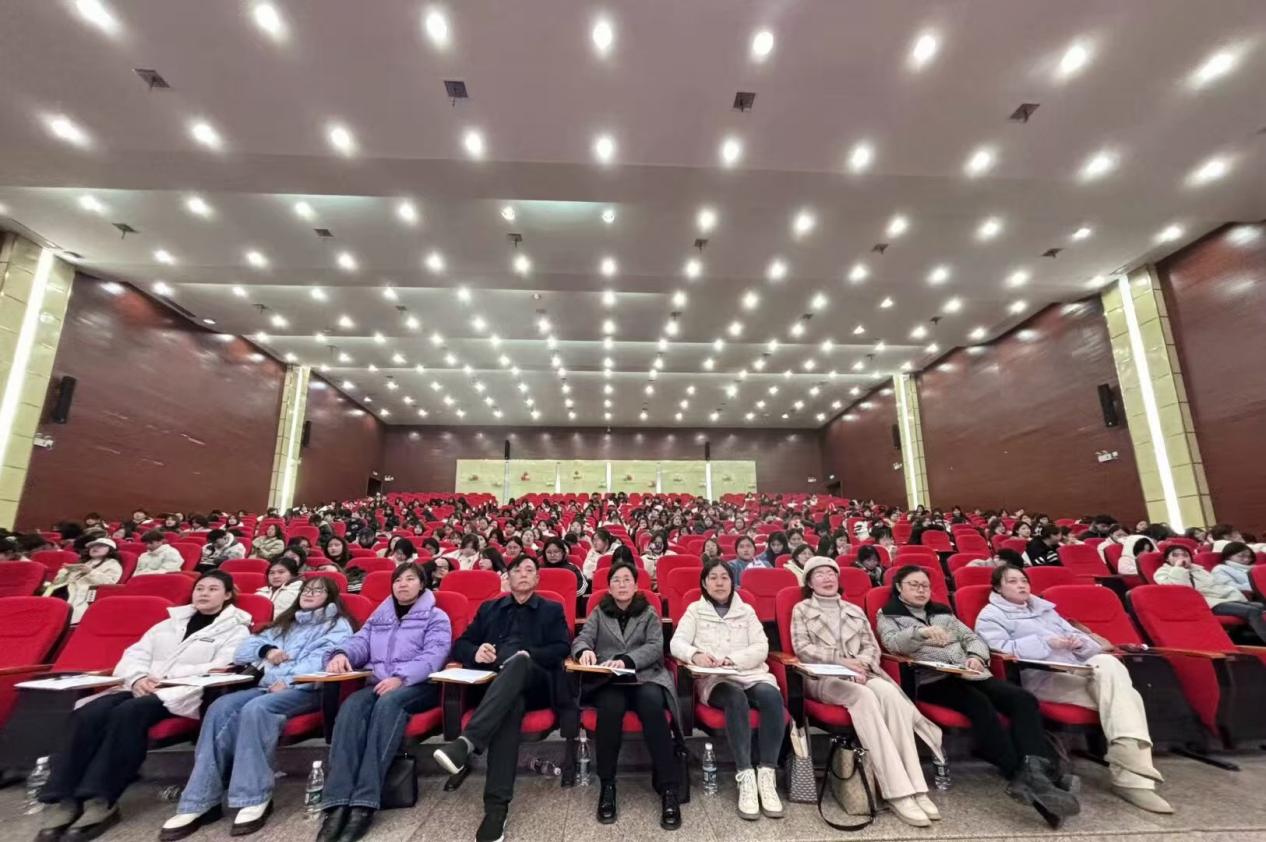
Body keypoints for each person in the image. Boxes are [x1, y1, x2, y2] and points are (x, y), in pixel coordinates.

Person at [36, 572, 252, 840]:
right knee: (87, 713)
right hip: (139, 685)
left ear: (228, 595)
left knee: (128, 713)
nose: (204, 593)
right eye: (200, 588)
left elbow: (222, 666)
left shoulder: (236, 628)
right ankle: (63, 797)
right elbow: (135, 654)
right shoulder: (168, 623)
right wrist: (138, 677)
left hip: (184, 691)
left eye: (213, 589)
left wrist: (164, 677)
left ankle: (101, 798)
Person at [876, 565, 1079, 826]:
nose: (920, 590)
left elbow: (972, 639)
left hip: (970, 672)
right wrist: (920, 633)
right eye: (913, 585)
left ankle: (1036, 770)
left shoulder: (942, 613)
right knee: (980, 704)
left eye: (925, 585)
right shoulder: (889, 614)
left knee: (1022, 699)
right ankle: (1021, 774)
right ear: (899, 588)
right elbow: (892, 643)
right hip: (932, 679)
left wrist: (975, 657)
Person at [161, 578, 355, 839]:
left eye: (317, 590)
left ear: (330, 596)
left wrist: (288, 680)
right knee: (220, 708)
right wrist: (267, 649)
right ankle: (199, 800)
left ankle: (253, 797)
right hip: (267, 688)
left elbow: (324, 659)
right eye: (306, 589)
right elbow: (243, 650)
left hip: (306, 690)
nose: (309, 594)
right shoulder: (287, 623)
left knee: (257, 710)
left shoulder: (337, 625)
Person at [975, 566, 1171, 813]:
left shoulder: (1045, 610)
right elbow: (998, 649)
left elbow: (1087, 643)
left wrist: (1079, 644)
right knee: (1129, 697)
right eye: (1012, 581)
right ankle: (1133, 779)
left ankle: (1128, 761)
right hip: (1046, 677)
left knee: (1110, 665)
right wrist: (1046, 642)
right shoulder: (991, 615)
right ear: (998, 588)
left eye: (1024, 580)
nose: (1021, 585)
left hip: (1080, 671)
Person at [791, 557, 945, 827]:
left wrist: (862, 664)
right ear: (810, 582)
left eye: (831, 573)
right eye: (820, 574)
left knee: (890, 694)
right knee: (863, 696)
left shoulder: (853, 610)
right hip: (823, 677)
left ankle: (918, 788)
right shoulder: (801, 609)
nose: (827, 578)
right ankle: (897, 792)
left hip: (862, 673)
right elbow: (802, 648)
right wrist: (841, 661)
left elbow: (871, 647)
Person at [432, 556, 571, 842]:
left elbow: (561, 648)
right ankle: (496, 810)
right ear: (507, 577)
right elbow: (461, 645)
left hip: (536, 683)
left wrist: (530, 655)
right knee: (510, 708)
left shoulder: (551, 609)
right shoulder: (489, 608)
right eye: (517, 570)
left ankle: (467, 742)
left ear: (537, 579)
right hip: (496, 688)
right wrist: (476, 652)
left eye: (530, 570)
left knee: (519, 662)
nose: (523, 574)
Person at [315, 563, 452, 842]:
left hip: (418, 685)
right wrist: (342, 654)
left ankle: (364, 803)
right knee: (351, 708)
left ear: (422, 585)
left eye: (410, 579)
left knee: (388, 706)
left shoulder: (436, 617)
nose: (403, 584)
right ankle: (337, 803)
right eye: (398, 580)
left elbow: (434, 656)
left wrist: (401, 678)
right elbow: (360, 642)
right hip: (378, 683)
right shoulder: (380, 616)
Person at [670, 560, 786, 820]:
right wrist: (695, 654)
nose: (719, 582)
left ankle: (766, 774)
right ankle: (745, 775)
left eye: (724, 577)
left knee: (771, 696)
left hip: (749, 672)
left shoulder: (746, 611)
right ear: (704, 583)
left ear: (733, 582)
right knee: (735, 699)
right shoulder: (695, 610)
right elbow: (677, 643)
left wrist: (733, 660)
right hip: (715, 678)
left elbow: (761, 647)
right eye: (713, 577)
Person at [572, 560, 683, 829]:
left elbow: (656, 646)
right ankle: (607, 785)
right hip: (611, 679)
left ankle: (669, 788)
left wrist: (628, 660)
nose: (621, 585)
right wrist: (584, 650)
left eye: (626, 580)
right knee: (610, 711)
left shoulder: (648, 611)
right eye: (616, 581)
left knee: (652, 708)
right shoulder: (600, 611)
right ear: (609, 587)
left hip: (645, 675)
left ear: (636, 585)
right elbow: (582, 638)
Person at [1154, 545, 1266, 642]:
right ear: (1167, 559)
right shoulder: (1162, 573)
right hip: (1204, 602)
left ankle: (1246, 637)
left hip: (1220, 598)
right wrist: (1178, 568)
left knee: (1260, 606)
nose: (1181, 558)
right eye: (1175, 555)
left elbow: (1215, 585)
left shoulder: (1199, 570)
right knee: (1252, 611)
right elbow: (1180, 589)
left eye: (1185, 555)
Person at [44, 536, 123, 623]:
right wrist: (65, 572)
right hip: (66, 589)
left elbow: (110, 583)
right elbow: (60, 581)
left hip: (84, 594)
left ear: (111, 550)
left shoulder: (113, 564)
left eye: (101, 546)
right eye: (93, 546)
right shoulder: (86, 562)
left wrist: (90, 572)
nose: (95, 548)